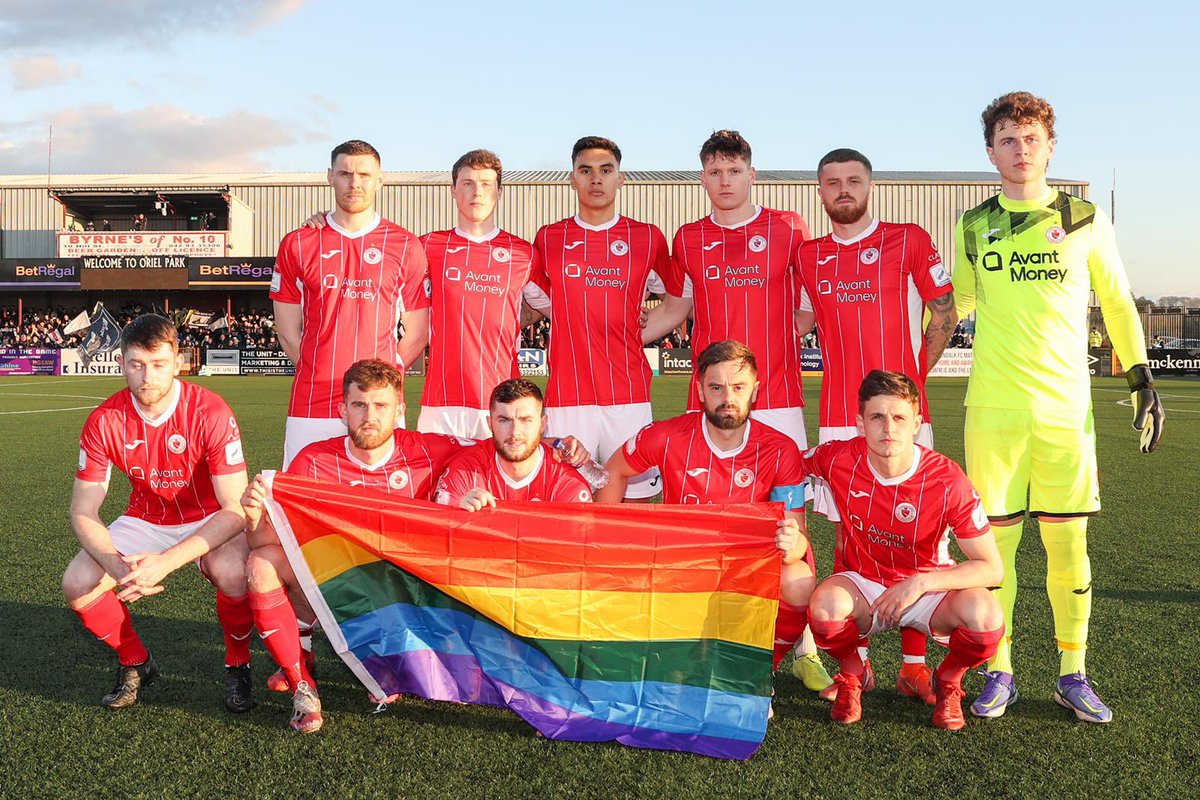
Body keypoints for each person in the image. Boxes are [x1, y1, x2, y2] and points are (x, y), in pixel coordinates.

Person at [952, 91, 1164, 723]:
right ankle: (1001, 670)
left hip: (1065, 414)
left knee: (1069, 546)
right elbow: (951, 307)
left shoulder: (1085, 218)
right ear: (990, 151)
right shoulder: (972, 224)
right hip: (992, 413)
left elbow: (1119, 302)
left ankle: (1073, 671)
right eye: (1008, 140)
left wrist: (1140, 377)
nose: (1021, 151)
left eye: (1032, 139)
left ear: (1051, 146)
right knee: (996, 554)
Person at [640, 129, 829, 689]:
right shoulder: (689, 237)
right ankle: (704, 630)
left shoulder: (787, 227)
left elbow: (812, 301)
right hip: (716, 402)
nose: (724, 181)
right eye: (714, 173)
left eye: (734, 171)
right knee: (705, 514)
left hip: (778, 403)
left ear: (752, 174)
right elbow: (678, 306)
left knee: (786, 517)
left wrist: (784, 341)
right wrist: (631, 339)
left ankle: (805, 644)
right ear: (703, 178)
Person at [794, 148, 958, 704]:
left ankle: (914, 665)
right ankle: (854, 663)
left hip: (904, 418)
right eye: (832, 182)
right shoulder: (808, 255)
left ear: (870, 186)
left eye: (853, 181)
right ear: (819, 192)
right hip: (840, 416)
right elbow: (799, 318)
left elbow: (944, 312)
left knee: (918, 538)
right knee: (849, 530)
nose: (843, 190)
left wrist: (912, 384)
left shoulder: (908, 238)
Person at [241, 359, 473, 734]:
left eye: (381, 406)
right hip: (338, 578)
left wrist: (559, 447)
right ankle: (303, 681)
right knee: (262, 563)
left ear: (400, 409)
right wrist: (253, 519)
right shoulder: (312, 462)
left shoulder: (432, 449)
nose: (370, 416)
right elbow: (266, 541)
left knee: (388, 675)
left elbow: (496, 451)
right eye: (359, 405)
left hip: (402, 588)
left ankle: (388, 654)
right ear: (342, 410)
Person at [61, 314, 254, 713]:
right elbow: (83, 510)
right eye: (136, 364)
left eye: (159, 364)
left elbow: (235, 508)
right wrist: (116, 566)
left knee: (235, 572)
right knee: (78, 583)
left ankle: (238, 665)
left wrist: (164, 563)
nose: (147, 376)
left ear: (179, 361)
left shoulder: (210, 411)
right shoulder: (104, 420)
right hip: (146, 518)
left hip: (210, 516)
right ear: (120, 364)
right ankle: (136, 663)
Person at [596, 340, 816, 676]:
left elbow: (798, 537)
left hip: (747, 567)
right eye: (717, 387)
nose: (728, 398)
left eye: (738, 387)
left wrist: (792, 543)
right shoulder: (667, 436)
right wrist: (605, 536)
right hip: (682, 565)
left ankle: (758, 669)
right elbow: (615, 469)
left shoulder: (780, 450)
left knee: (799, 580)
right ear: (700, 390)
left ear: (755, 391)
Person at [805, 370, 1005, 730]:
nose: (888, 429)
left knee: (986, 618)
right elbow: (784, 462)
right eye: (877, 417)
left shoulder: (947, 480)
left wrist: (920, 583)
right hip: (866, 586)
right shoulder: (837, 459)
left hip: (929, 593)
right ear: (859, 423)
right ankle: (854, 674)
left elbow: (992, 568)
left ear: (916, 424)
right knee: (824, 607)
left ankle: (948, 680)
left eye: (899, 418)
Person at [521, 136, 670, 501]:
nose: (596, 179)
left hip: (629, 393)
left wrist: (643, 327)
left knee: (635, 503)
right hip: (568, 395)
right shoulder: (549, 238)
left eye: (606, 170)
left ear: (621, 178)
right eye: (585, 171)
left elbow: (677, 301)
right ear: (572, 178)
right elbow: (537, 303)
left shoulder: (647, 238)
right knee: (569, 500)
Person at [270, 139, 430, 468]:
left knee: (380, 506)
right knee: (301, 502)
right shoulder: (298, 242)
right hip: (312, 402)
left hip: (379, 404)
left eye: (364, 175)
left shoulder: (405, 245)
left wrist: (385, 378)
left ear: (380, 179)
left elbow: (417, 332)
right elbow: (287, 329)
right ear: (330, 177)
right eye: (345, 173)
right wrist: (317, 367)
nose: (354, 183)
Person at [417, 150, 537, 438]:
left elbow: (560, 305)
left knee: (498, 484)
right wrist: (328, 221)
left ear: (499, 192)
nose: (477, 192)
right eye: (468, 183)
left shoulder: (524, 253)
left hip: (502, 403)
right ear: (453, 190)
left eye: (485, 184)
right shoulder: (427, 246)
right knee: (435, 484)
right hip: (440, 403)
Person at [435, 378, 592, 508]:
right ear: (490, 424)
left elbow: (578, 542)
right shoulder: (467, 469)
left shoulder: (567, 481)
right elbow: (439, 533)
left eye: (526, 420)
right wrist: (456, 513)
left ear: (542, 424)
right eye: (504, 420)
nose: (515, 432)